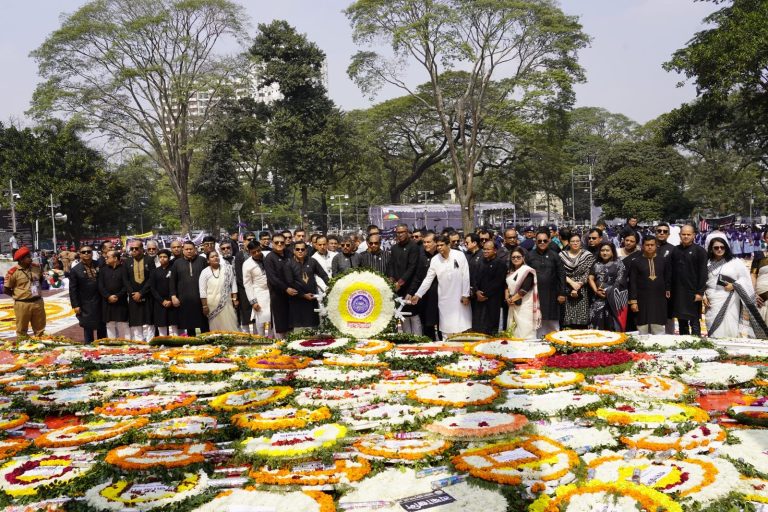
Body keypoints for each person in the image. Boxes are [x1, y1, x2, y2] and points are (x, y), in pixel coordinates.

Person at [704, 237, 768, 338]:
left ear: (726, 248)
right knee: (712, 323)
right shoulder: (706, 263)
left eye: (722, 247)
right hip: (712, 298)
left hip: (730, 297)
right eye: (716, 248)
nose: (719, 249)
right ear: (711, 249)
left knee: (731, 322)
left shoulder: (735, 261)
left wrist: (734, 285)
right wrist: (703, 295)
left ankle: (730, 345)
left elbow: (745, 278)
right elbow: (701, 281)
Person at [412, 235, 472, 338]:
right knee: (446, 327)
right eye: (438, 245)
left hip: (460, 297)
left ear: (448, 245)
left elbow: (466, 275)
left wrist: (465, 294)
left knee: (462, 327)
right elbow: (428, 279)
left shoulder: (459, 255)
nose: (439, 247)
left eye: (442, 245)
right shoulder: (435, 260)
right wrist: (418, 294)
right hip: (444, 298)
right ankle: (448, 351)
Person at [525, 229, 566, 337]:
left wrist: (562, 293)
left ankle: (554, 341)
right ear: (535, 241)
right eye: (539, 241)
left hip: (552, 294)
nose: (542, 243)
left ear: (549, 241)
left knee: (552, 321)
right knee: (536, 320)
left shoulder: (555, 255)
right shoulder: (529, 256)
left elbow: (561, 274)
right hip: (535, 294)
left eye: (544, 240)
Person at [629, 236, 671, 335]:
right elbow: (632, 282)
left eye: (652, 245)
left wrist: (668, 290)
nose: (650, 247)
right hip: (641, 299)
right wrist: (633, 301)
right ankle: (642, 348)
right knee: (642, 328)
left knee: (658, 327)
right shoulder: (636, 262)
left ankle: (658, 348)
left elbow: (667, 278)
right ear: (643, 246)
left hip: (659, 299)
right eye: (647, 245)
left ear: (656, 246)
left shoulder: (663, 260)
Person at [671, 225, 708, 336]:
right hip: (679, 292)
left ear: (693, 235)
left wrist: (700, 292)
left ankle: (696, 344)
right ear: (679, 235)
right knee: (682, 321)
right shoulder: (675, 250)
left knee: (694, 321)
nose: (686, 236)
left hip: (693, 292)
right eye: (683, 234)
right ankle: (684, 343)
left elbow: (703, 273)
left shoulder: (700, 251)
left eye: (688, 234)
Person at [284, 241, 329, 331]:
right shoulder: (288, 264)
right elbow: (290, 282)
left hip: (311, 300)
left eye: (302, 249)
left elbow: (323, 275)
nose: (300, 251)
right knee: (298, 329)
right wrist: (303, 295)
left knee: (313, 327)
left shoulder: (312, 261)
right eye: (297, 249)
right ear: (294, 251)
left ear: (306, 251)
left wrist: (331, 286)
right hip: (297, 300)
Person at [4, 247, 46, 338]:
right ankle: (24, 350)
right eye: (28, 257)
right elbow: (6, 289)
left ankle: (42, 349)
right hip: (22, 304)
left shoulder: (36, 268)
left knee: (40, 330)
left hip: (37, 302)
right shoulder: (13, 272)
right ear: (21, 259)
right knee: (22, 331)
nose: (30, 258)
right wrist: (18, 296)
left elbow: (41, 279)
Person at [170, 241, 209, 336]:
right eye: (186, 249)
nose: (189, 251)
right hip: (185, 299)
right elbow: (172, 281)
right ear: (183, 250)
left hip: (201, 299)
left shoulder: (202, 260)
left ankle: (207, 345)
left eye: (191, 249)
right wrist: (173, 296)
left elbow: (208, 277)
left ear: (195, 249)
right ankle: (192, 345)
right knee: (189, 326)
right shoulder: (177, 263)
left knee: (204, 325)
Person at [388, 224, 421, 334]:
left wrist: (400, 283)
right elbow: (391, 265)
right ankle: (407, 340)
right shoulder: (394, 248)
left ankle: (418, 340)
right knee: (402, 314)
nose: (400, 234)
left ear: (407, 233)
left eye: (402, 232)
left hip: (410, 287)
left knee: (413, 314)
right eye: (398, 232)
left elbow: (412, 267)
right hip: (397, 289)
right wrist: (392, 280)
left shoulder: (414, 247)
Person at [69, 245, 105, 343]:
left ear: (92, 253)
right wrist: (75, 305)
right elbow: (73, 289)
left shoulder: (99, 265)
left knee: (102, 326)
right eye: (83, 252)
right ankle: (89, 350)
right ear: (80, 254)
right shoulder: (75, 270)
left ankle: (103, 347)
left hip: (101, 301)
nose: (86, 254)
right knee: (88, 327)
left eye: (89, 251)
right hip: (85, 303)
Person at [588, 243, 627, 331]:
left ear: (612, 252)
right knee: (596, 325)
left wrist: (608, 291)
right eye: (602, 250)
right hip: (598, 299)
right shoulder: (596, 264)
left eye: (607, 250)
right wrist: (596, 291)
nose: (604, 253)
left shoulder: (619, 264)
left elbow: (620, 281)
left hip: (613, 300)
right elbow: (590, 278)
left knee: (612, 326)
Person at [560, 233, 595, 328]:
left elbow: (588, 272)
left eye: (577, 241)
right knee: (567, 321)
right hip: (567, 287)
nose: (575, 243)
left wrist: (578, 285)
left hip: (582, 289)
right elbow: (560, 272)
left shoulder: (587, 255)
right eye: (572, 241)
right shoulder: (562, 255)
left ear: (581, 242)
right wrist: (571, 283)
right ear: (569, 243)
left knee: (582, 323)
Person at [472, 241, 507, 334]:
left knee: (491, 327)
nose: (485, 251)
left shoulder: (500, 264)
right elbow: (474, 278)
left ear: (495, 250)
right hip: (479, 299)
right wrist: (476, 292)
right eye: (484, 249)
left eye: (488, 249)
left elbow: (498, 282)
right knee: (478, 326)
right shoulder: (480, 262)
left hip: (493, 300)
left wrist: (485, 295)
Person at [264, 233, 294, 339]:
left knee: (291, 325)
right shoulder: (269, 258)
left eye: (282, 242)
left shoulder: (289, 254)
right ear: (272, 243)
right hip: (278, 295)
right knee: (280, 325)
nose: (280, 244)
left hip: (292, 295)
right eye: (276, 242)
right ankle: (281, 348)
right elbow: (273, 279)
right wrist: (286, 288)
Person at [199, 250, 239, 332]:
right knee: (215, 326)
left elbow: (233, 284)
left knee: (229, 323)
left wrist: (235, 299)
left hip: (226, 301)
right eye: (212, 257)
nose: (215, 258)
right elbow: (202, 290)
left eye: (216, 256)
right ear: (208, 260)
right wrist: (204, 306)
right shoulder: (205, 272)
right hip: (211, 304)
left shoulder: (228, 269)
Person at [506, 247, 541, 339]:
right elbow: (506, 286)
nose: (516, 259)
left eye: (518, 257)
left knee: (525, 329)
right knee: (513, 329)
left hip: (525, 305)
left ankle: (528, 351)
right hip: (512, 304)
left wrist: (511, 299)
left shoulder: (527, 271)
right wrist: (507, 299)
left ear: (523, 258)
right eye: (513, 257)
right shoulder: (510, 272)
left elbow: (524, 290)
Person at [125, 240, 154, 342]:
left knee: (150, 320)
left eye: (136, 249)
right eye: (132, 249)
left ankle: (151, 342)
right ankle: (139, 342)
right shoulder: (127, 261)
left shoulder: (149, 260)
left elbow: (152, 278)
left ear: (142, 249)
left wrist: (141, 293)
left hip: (148, 294)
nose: (134, 251)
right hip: (133, 296)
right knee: (136, 320)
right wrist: (133, 293)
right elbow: (125, 279)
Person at [412, 232, 440, 340]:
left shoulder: (441, 255)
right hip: (425, 295)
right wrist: (412, 292)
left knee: (442, 324)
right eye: (424, 242)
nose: (426, 244)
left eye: (429, 242)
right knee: (427, 325)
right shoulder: (421, 255)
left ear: (435, 243)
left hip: (440, 295)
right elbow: (418, 276)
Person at [243, 241, 272, 336]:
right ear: (249, 253)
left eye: (258, 251)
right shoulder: (247, 264)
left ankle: (274, 340)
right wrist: (253, 302)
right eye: (253, 252)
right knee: (261, 320)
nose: (256, 254)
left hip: (272, 292)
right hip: (259, 293)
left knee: (273, 319)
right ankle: (261, 340)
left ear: (261, 248)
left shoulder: (268, 256)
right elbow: (247, 284)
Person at [98, 250, 129, 338]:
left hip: (121, 301)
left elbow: (126, 285)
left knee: (122, 324)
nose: (106, 259)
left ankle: (126, 344)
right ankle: (112, 344)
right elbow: (100, 285)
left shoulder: (124, 269)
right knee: (109, 324)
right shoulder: (103, 270)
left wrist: (117, 296)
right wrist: (108, 296)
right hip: (107, 301)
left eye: (108, 257)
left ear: (115, 258)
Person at [150, 249, 177, 336]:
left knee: (175, 326)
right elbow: (153, 289)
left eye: (165, 257)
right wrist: (162, 301)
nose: (162, 259)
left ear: (169, 258)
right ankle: (163, 344)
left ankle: (178, 346)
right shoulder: (154, 271)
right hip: (159, 303)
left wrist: (170, 300)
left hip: (172, 301)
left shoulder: (174, 270)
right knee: (162, 326)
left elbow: (176, 286)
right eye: (160, 257)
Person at [752, 231, 768, 325]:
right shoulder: (759, 255)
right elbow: (753, 275)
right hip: (761, 294)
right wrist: (753, 293)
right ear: (765, 239)